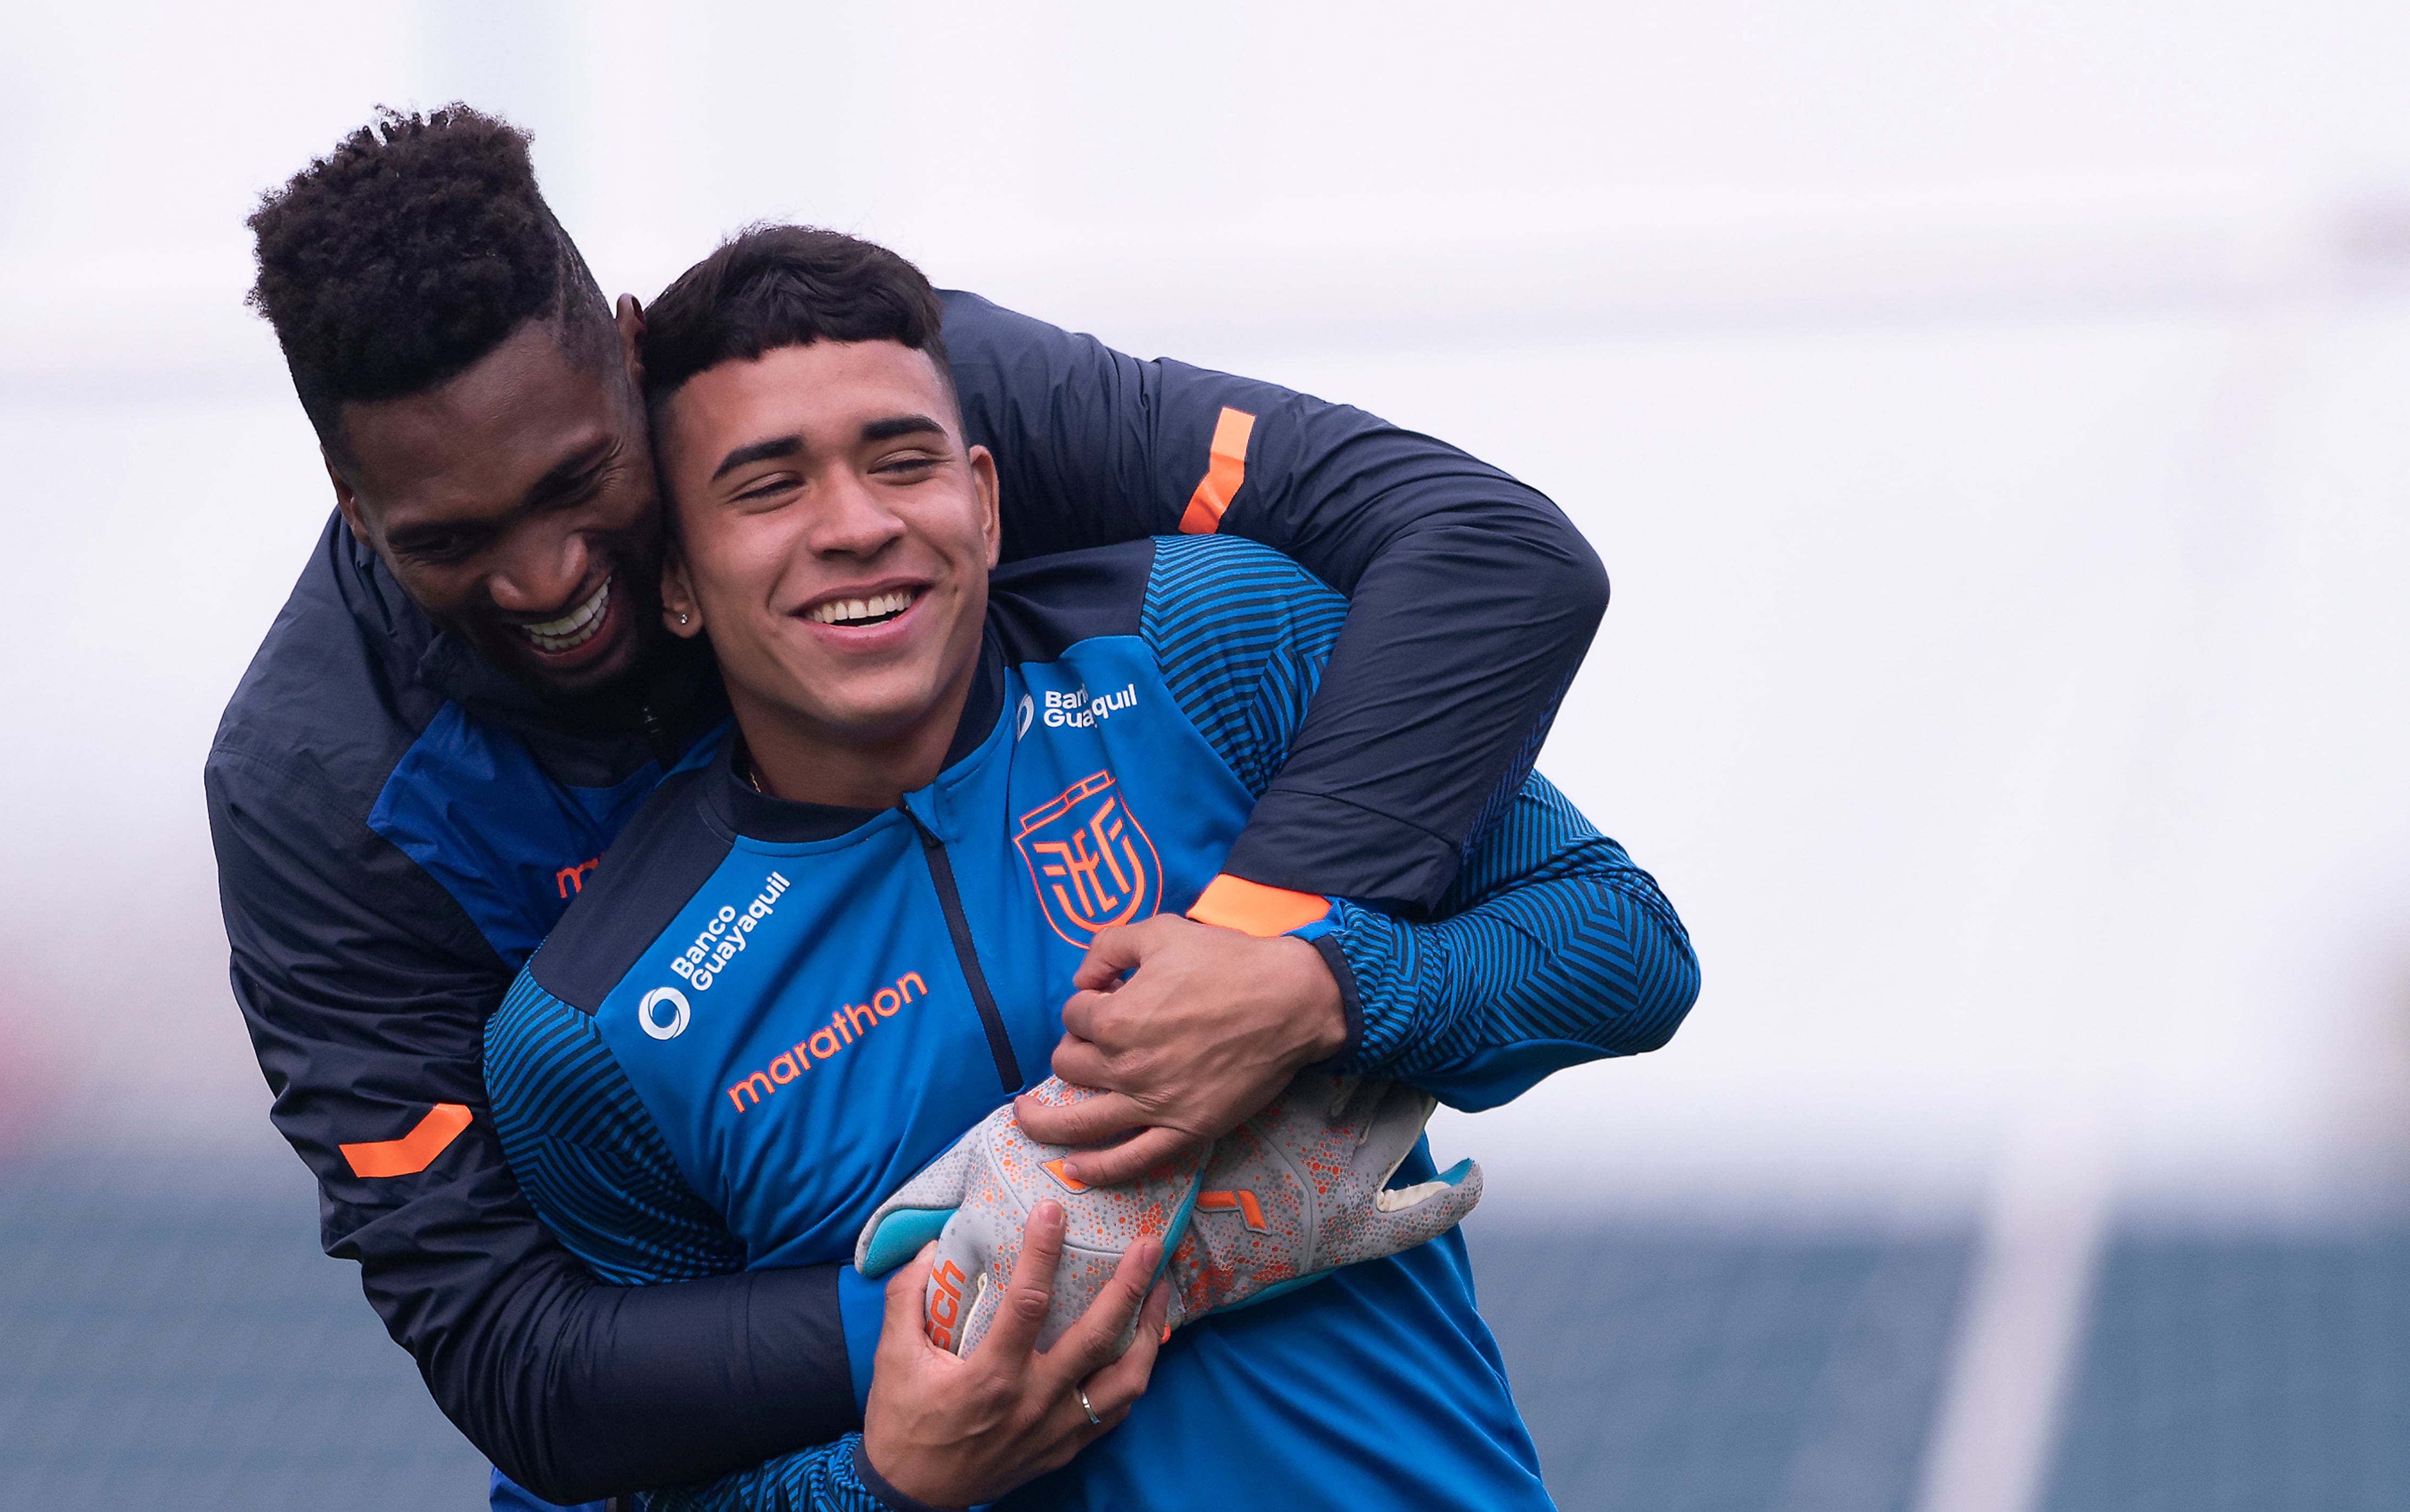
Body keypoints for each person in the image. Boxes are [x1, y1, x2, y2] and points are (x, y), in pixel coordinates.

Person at [207, 107, 1613, 1508]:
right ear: (350, 497)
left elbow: (1488, 554)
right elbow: (524, 1363)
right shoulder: (318, 793)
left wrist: (1267, 959)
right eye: (451, 541)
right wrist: (1019, 1274)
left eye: (581, 481)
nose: (545, 576)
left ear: (630, 355)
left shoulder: (881, 404)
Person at [480, 224, 1698, 1511]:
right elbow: (634, 1485)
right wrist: (884, 1483)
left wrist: (1321, 993)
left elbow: (1626, 947)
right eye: (768, 488)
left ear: (986, 502)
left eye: (904, 461)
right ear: (675, 579)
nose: (857, 526)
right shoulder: (590, 1030)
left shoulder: (1212, 643)